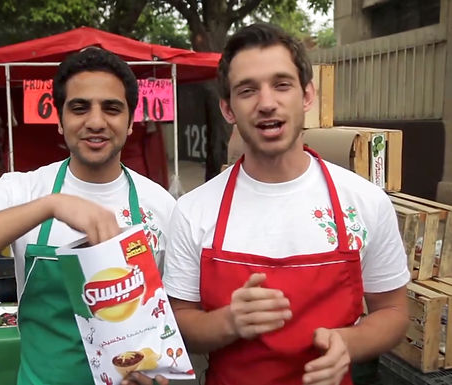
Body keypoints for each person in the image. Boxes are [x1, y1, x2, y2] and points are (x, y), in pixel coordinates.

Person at [162, 23, 410, 385]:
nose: (266, 103)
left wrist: (348, 341)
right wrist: (227, 322)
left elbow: (393, 311)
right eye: (247, 90)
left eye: (281, 85)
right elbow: (179, 320)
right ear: (228, 109)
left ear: (307, 95)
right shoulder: (194, 210)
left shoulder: (364, 202)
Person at [0, 48, 174, 385]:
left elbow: (171, 318)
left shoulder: (161, 204)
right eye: (79, 108)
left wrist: (159, 372)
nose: (96, 121)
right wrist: (50, 206)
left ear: (130, 124)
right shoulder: (23, 190)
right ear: (59, 119)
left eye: (111, 108)